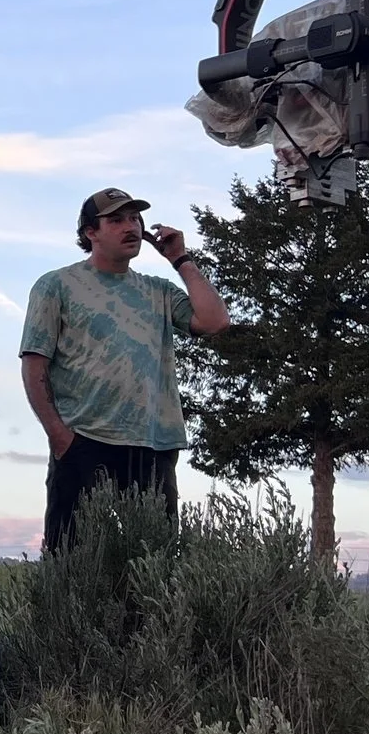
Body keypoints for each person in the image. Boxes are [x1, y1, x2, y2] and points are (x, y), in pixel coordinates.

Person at [20, 186, 230, 553]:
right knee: (72, 564)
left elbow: (214, 322)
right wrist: (59, 435)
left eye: (135, 218)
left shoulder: (159, 292)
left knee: (154, 568)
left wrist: (180, 260)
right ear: (90, 232)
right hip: (83, 442)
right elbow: (34, 363)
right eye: (116, 220)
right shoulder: (57, 285)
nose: (130, 226)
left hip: (152, 445)